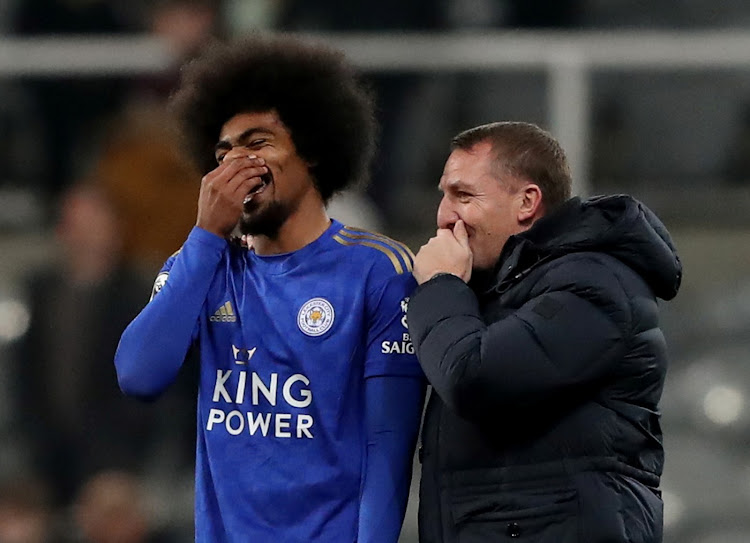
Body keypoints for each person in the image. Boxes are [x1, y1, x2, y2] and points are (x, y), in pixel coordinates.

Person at [114, 34, 425, 542]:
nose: (238, 164)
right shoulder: (201, 266)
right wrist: (205, 237)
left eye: (258, 143)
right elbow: (138, 376)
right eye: (223, 153)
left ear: (315, 152)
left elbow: (387, 448)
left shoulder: (378, 271)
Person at [407, 121, 682, 542]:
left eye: (463, 195)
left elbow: (473, 378)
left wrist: (441, 284)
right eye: (443, 194)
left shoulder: (593, 283)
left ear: (527, 202)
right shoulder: (496, 291)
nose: (445, 216)